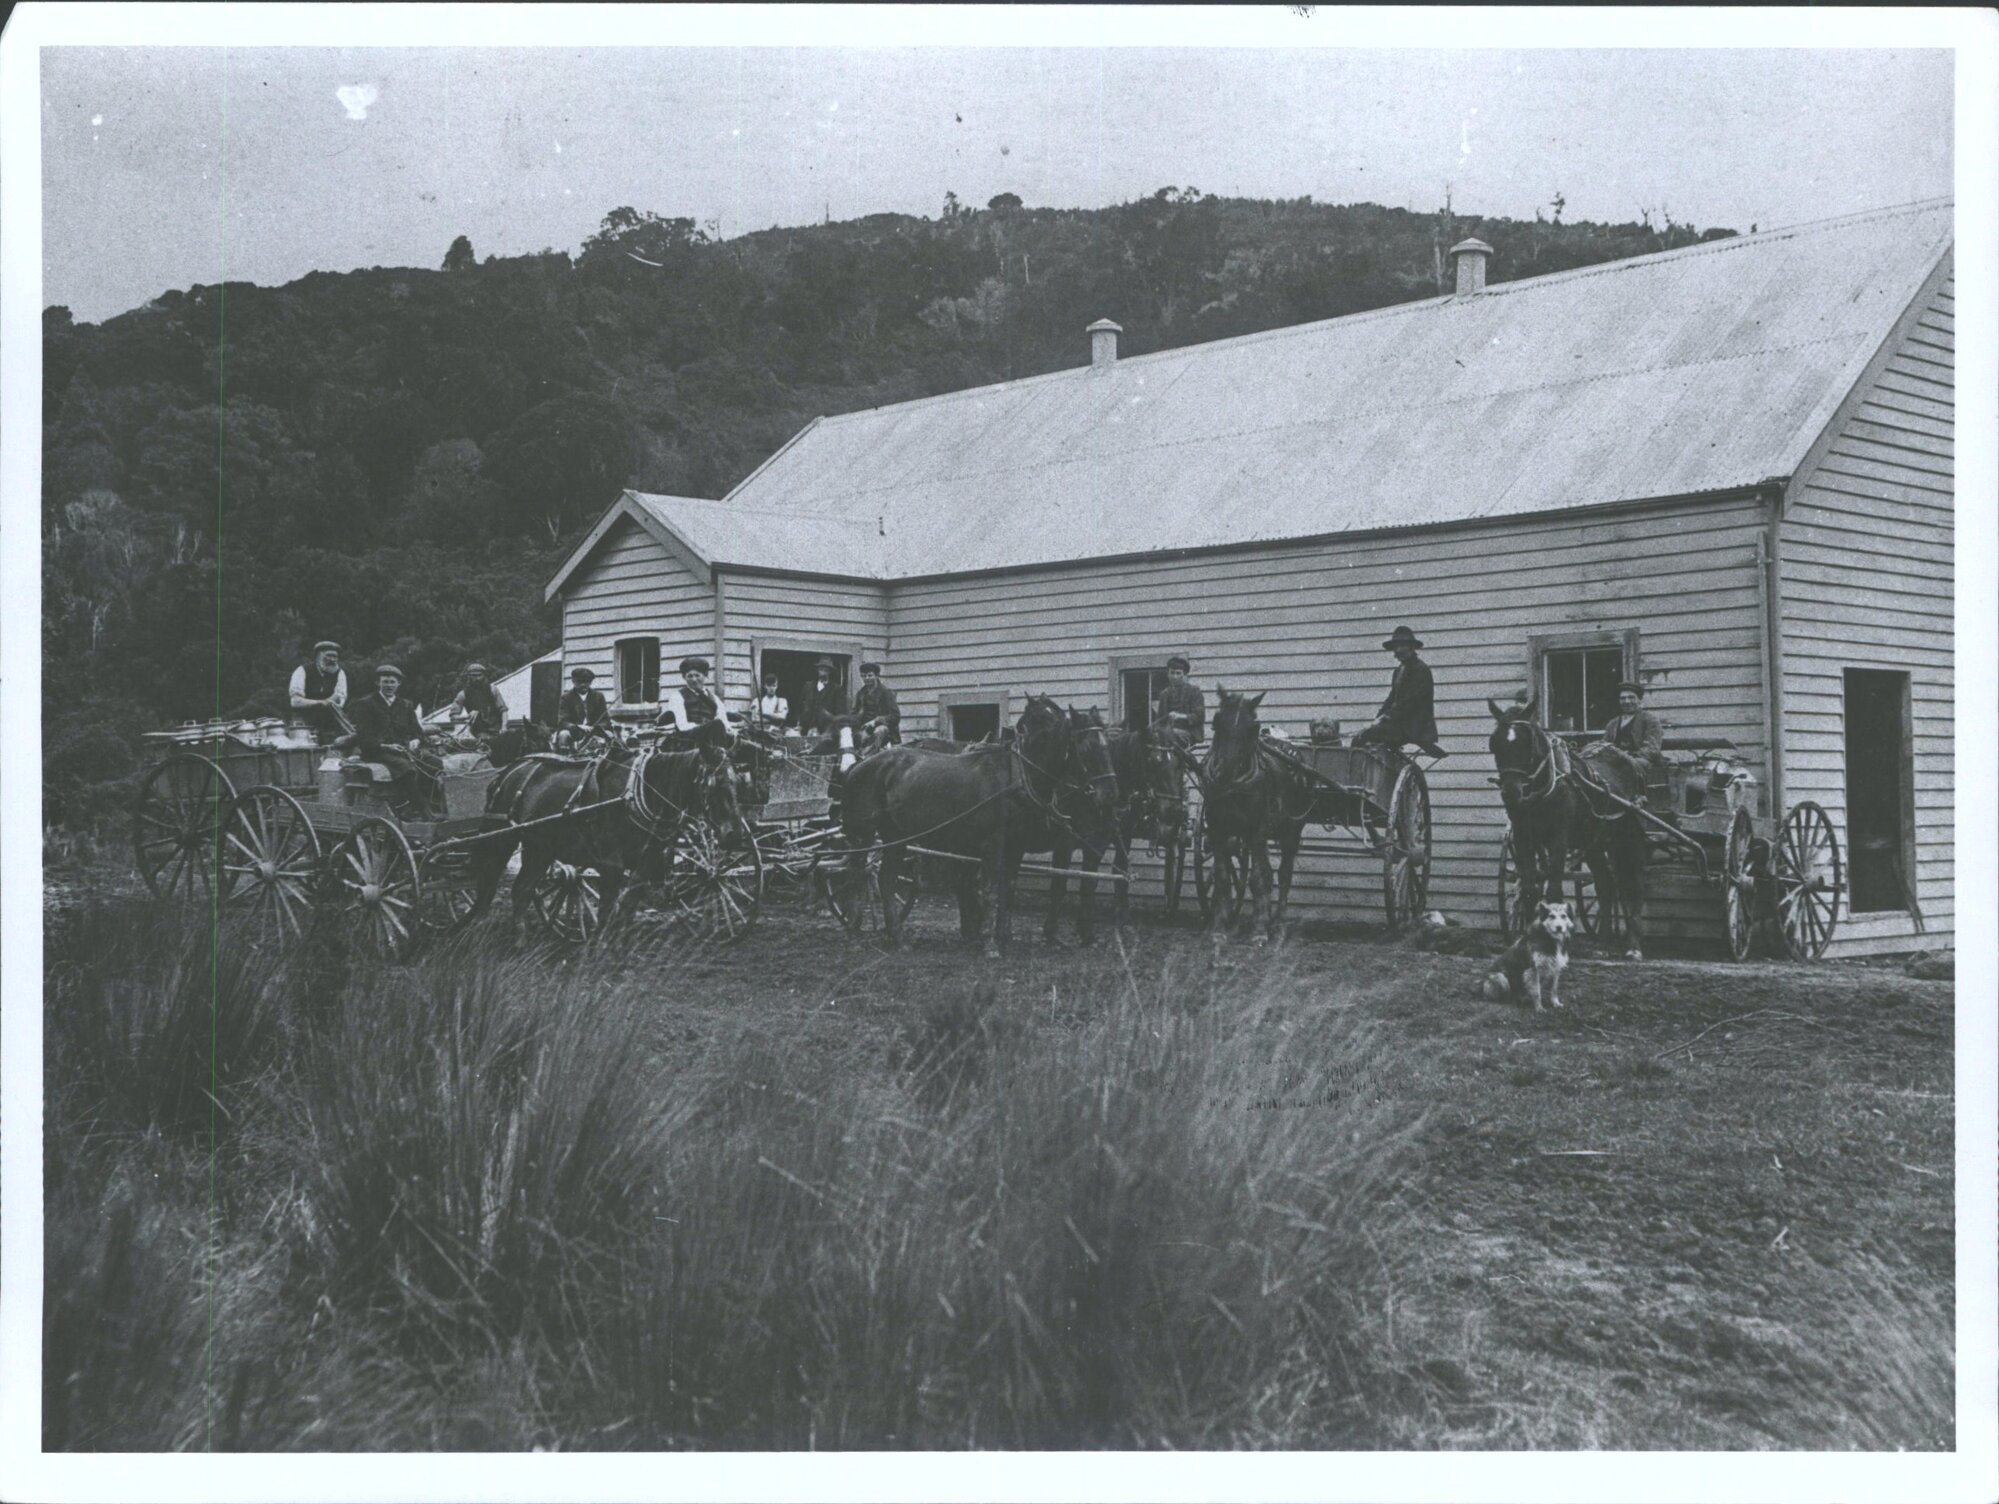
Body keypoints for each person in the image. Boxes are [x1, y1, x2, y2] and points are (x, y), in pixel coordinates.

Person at [350, 664, 439, 814]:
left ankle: (417, 803)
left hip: (404, 750)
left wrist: (416, 740)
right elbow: (364, 737)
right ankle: (424, 812)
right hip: (377, 752)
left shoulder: (405, 704)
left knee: (434, 763)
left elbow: (417, 731)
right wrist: (386, 746)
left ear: (399, 684)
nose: (389, 685)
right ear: (378, 683)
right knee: (406, 768)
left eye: (392, 682)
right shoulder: (366, 704)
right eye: (385, 681)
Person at [1354, 625, 1444, 757]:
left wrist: (1385, 718)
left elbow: (1408, 702)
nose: (1398, 650)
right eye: (1396, 647)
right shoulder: (1399, 671)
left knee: (1364, 737)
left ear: (1411, 647)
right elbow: (1391, 699)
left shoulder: (1420, 670)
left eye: (1402, 646)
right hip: (1400, 724)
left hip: (1415, 727)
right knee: (1362, 735)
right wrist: (1377, 719)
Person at [1591, 680, 1665, 798]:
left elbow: (1652, 748)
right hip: (1615, 760)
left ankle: (1638, 797)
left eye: (1631, 697)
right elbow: (1604, 744)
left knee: (1630, 766)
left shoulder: (1650, 720)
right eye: (1623, 698)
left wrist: (1628, 756)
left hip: (1641, 761)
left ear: (1639, 700)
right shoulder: (1613, 723)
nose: (1627, 701)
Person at [288, 641, 351, 744]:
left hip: (328, 724)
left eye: (335, 657)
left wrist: (327, 702)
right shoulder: (302, 671)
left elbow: (339, 699)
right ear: (318, 656)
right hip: (303, 723)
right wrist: (321, 703)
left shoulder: (340, 673)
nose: (333, 660)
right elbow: (295, 701)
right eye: (329, 656)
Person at [657, 656, 731, 734]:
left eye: (697, 675)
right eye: (690, 676)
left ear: (705, 675)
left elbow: (724, 722)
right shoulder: (677, 697)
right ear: (684, 677)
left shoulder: (714, 698)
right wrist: (707, 728)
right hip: (688, 739)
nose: (694, 680)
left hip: (712, 739)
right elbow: (682, 726)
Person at [1152, 654, 1206, 743]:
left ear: (1184, 674)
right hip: (1168, 732)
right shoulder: (1164, 694)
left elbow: (1200, 717)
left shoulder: (1194, 691)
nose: (1175, 677)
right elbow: (1160, 720)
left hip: (1190, 732)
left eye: (1178, 673)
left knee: (1170, 736)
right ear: (1168, 674)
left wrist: (1180, 716)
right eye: (1172, 673)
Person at [557, 666, 613, 750]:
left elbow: (605, 720)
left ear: (590, 682)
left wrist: (596, 727)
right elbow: (563, 721)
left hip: (595, 732)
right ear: (573, 681)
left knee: (610, 735)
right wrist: (578, 727)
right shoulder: (566, 698)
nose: (583, 685)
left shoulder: (598, 696)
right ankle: (565, 760)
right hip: (574, 732)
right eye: (579, 682)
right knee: (563, 735)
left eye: (586, 682)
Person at [448, 662, 509, 739]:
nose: (477, 678)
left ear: (484, 675)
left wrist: (504, 727)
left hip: (498, 728)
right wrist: (467, 716)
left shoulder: (493, 690)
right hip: (479, 732)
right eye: (474, 675)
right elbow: (453, 716)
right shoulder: (463, 694)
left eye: (479, 675)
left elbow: (503, 710)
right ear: (469, 677)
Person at [851, 660, 901, 747]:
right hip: (865, 728)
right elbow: (854, 713)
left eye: (870, 675)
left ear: (877, 676)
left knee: (879, 731)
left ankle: (869, 758)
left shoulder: (886, 693)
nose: (866, 678)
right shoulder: (861, 694)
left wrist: (875, 721)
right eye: (863, 676)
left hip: (885, 729)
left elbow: (895, 716)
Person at [796, 657, 846, 734]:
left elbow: (840, 712)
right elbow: (800, 707)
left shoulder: (836, 689)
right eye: (821, 669)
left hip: (826, 729)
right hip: (807, 728)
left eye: (826, 670)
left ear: (830, 672)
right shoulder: (808, 686)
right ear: (817, 670)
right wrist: (800, 724)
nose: (823, 672)